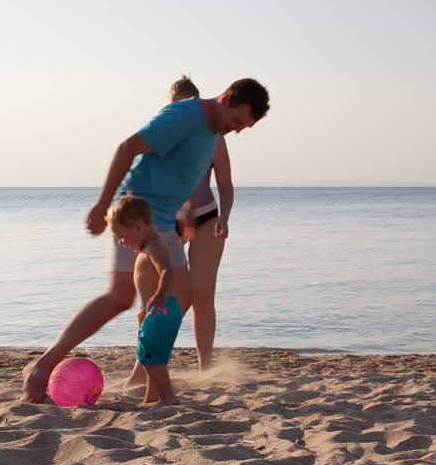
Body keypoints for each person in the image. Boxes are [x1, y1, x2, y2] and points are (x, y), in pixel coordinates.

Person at [20, 77, 270, 403]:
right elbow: (127, 148)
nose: (235, 130)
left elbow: (184, 175)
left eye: (243, 128)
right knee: (121, 296)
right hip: (136, 214)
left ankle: (154, 388)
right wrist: (102, 205)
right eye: (237, 121)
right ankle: (42, 366)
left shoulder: (212, 131)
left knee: (178, 296)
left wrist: (187, 219)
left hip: (165, 221)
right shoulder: (184, 116)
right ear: (225, 101)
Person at [172, 84, 235, 371]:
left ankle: (205, 368)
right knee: (162, 295)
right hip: (169, 221)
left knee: (203, 294)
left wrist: (225, 218)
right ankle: (148, 362)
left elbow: (226, 185)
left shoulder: (214, 138)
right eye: (177, 105)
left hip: (207, 217)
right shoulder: (162, 135)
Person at [106, 194, 183, 404]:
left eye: (121, 236)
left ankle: (168, 398)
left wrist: (160, 295)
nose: (121, 242)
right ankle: (152, 398)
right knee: (153, 356)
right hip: (157, 310)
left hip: (161, 308)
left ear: (137, 227)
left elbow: (167, 271)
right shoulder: (151, 244)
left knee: (150, 358)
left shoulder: (155, 247)